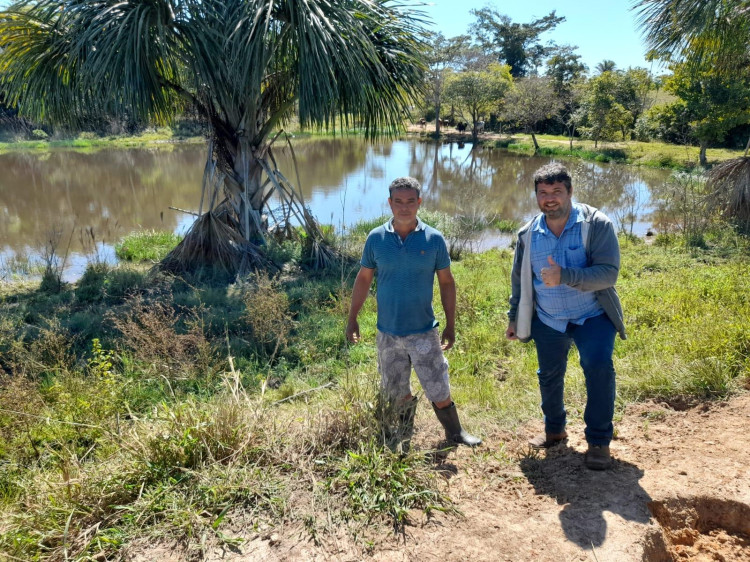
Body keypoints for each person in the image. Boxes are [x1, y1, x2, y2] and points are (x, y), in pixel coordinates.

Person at [505, 162, 626, 470]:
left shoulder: (596, 224)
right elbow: (520, 279)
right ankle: (555, 431)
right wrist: (513, 316)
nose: (550, 199)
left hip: (592, 316)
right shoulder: (528, 234)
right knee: (548, 375)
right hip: (548, 319)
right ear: (536, 195)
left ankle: (599, 442)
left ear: (570, 192)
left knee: (598, 370)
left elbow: (608, 274)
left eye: (557, 192)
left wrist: (566, 275)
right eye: (543, 192)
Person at [345, 177, 481, 448]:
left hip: (423, 331)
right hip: (388, 332)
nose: (404, 207)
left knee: (438, 385)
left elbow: (446, 282)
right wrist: (352, 318)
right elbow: (363, 279)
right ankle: (404, 432)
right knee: (396, 390)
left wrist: (450, 325)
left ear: (419, 202)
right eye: (398, 201)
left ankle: (455, 433)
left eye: (410, 201)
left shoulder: (433, 239)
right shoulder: (376, 238)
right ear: (390, 203)